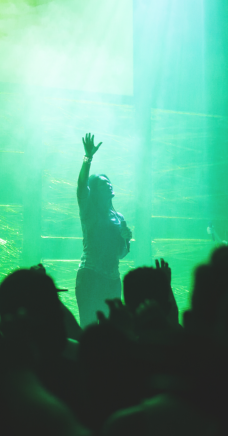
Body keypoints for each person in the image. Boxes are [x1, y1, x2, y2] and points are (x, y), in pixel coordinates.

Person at [76, 133, 132, 327]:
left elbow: (121, 254)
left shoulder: (119, 217)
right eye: (102, 183)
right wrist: (88, 158)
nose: (108, 184)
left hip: (113, 280)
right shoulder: (89, 210)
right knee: (89, 328)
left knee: (112, 332)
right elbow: (81, 186)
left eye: (109, 182)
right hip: (90, 276)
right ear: (94, 191)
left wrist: (126, 240)